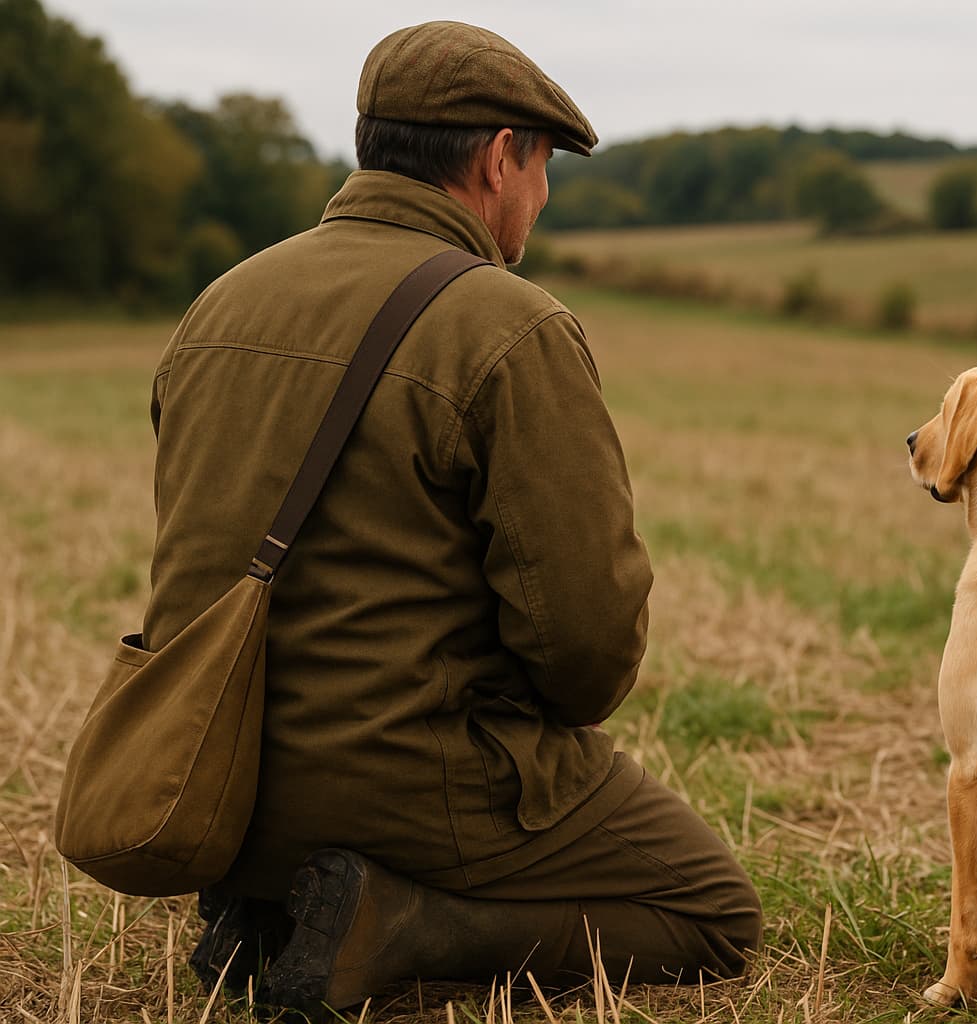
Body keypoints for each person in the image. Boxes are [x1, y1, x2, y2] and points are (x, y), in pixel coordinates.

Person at [142, 20, 761, 1015]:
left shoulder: (215, 306)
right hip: (411, 785)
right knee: (710, 911)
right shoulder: (511, 325)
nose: (543, 197)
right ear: (498, 157)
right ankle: (403, 923)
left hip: (213, 778)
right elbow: (587, 649)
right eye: (544, 165)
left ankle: (271, 904)